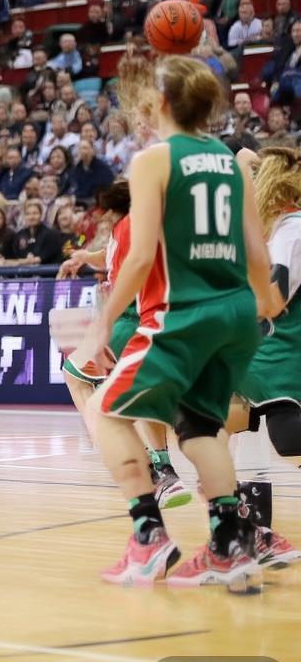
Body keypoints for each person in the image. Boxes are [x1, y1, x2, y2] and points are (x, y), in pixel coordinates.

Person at [85, 55, 279, 588]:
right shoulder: (228, 161)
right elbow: (256, 251)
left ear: (162, 102)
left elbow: (140, 257)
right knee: (199, 427)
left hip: (182, 313)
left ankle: (147, 535)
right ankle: (228, 544)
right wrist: (266, 302)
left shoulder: (154, 160)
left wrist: (103, 323)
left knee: (105, 411)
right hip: (235, 312)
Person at [57, 181, 191, 509]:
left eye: (101, 211)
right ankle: (163, 469)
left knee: (76, 377)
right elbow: (114, 255)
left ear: (111, 210)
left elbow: (134, 264)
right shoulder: (131, 226)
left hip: (129, 318)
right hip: (154, 319)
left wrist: (112, 298)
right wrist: (86, 256)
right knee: (140, 394)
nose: (98, 217)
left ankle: (142, 462)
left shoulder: (129, 225)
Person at [224, 147, 301, 567]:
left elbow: (272, 300)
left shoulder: (291, 228)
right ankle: (256, 532)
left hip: (282, 350)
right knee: (240, 426)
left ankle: (245, 529)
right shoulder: (281, 229)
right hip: (264, 352)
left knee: (284, 437)